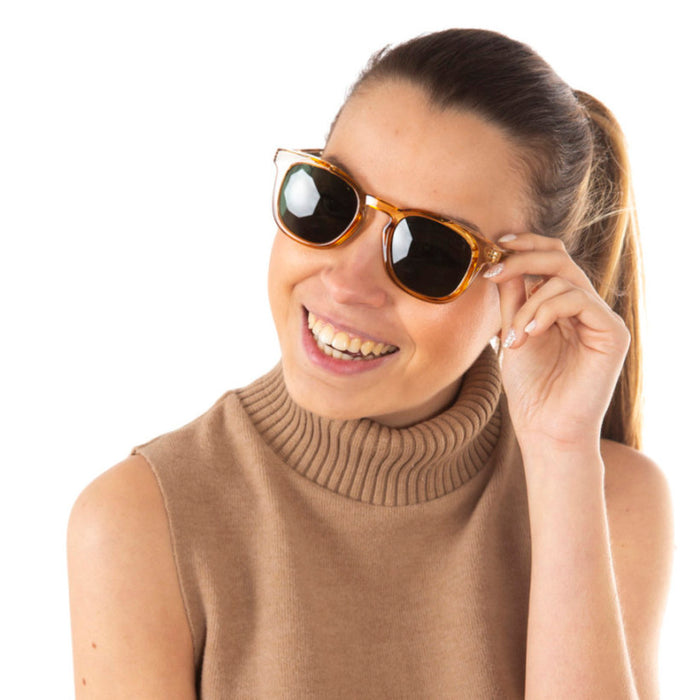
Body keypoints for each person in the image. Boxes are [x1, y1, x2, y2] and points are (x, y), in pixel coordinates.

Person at [67, 29, 673, 698]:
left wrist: (560, 454)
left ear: (529, 288)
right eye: (332, 202)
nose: (347, 283)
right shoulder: (138, 522)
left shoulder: (610, 502)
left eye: (430, 252)